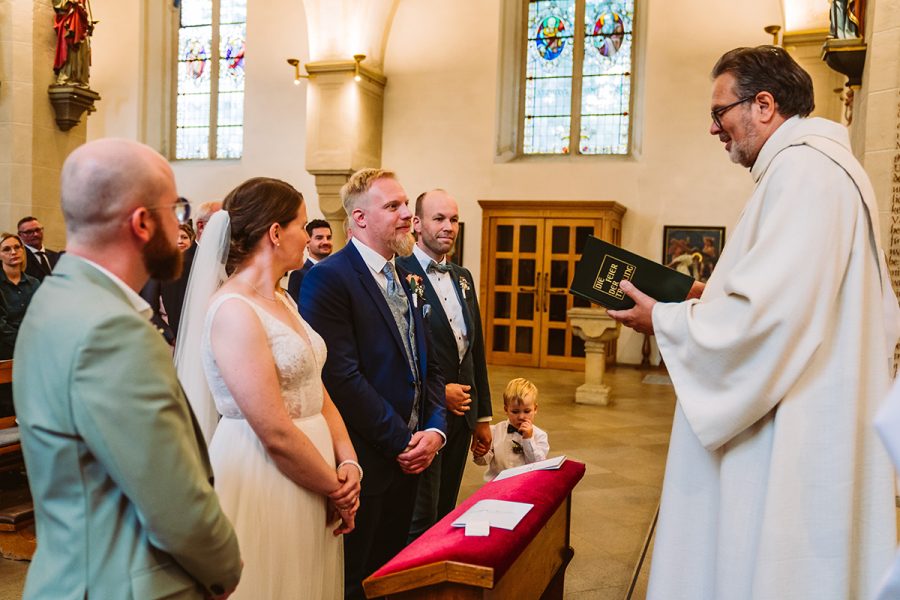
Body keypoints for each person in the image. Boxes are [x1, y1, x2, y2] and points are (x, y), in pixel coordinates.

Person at [607, 46, 900, 599]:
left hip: (796, 430)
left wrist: (664, 321)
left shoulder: (804, 173)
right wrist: (700, 293)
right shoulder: (817, 169)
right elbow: (787, 295)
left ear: (763, 105)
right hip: (813, 406)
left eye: (720, 112)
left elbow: (763, 322)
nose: (714, 128)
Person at [13, 138, 241, 599]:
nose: (180, 224)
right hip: (126, 583)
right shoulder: (110, 329)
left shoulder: (57, 298)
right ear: (141, 222)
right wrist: (227, 569)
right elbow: (176, 505)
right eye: (174, 209)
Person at [176, 177, 360, 598]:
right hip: (267, 471)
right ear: (275, 233)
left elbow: (317, 388)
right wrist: (335, 488)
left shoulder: (284, 300)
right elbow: (273, 431)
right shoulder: (233, 310)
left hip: (315, 468)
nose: (307, 234)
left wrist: (349, 462)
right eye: (300, 224)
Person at [299, 168, 447, 599]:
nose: (408, 215)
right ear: (359, 219)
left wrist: (435, 430)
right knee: (354, 578)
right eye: (394, 206)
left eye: (406, 205)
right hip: (367, 459)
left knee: (388, 572)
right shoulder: (331, 277)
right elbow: (340, 377)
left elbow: (430, 366)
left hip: (413, 456)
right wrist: (402, 442)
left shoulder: (406, 275)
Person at [397, 189, 492, 539]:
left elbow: (475, 350)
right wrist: (438, 392)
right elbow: (401, 352)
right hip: (423, 417)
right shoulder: (400, 274)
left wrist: (481, 418)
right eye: (439, 219)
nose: (448, 226)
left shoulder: (463, 277)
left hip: (462, 416)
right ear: (417, 224)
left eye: (453, 219)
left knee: (445, 510)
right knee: (419, 515)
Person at [140, 197, 197, 346]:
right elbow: (149, 307)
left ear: (191, 241)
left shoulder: (196, 267)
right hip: (168, 338)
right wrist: (170, 336)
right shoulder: (158, 268)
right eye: (175, 238)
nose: (179, 241)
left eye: (184, 237)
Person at [473, 378, 548, 481]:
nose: (521, 416)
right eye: (515, 411)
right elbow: (483, 461)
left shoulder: (540, 436)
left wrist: (528, 439)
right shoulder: (494, 431)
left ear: (535, 409)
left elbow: (538, 464)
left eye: (527, 411)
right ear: (506, 409)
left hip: (525, 484)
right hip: (497, 484)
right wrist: (480, 453)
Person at [0, 233, 40, 360]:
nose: (13, 252)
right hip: (5, 348)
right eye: (6, 249)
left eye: (17, 247)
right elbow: (1, 324)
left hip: (34, 345)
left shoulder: (34, 283)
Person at [287, 218, 333, 304]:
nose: (326, 242)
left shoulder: (337, 272)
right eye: (319, 238)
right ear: (308, 242)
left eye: (329, 238)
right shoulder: (299, 275)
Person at [17, 216, 61, 281]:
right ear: (20, 235)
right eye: (29, 232)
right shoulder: (20, 258)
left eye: (37, 230)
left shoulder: (56, 256)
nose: (35, 234)